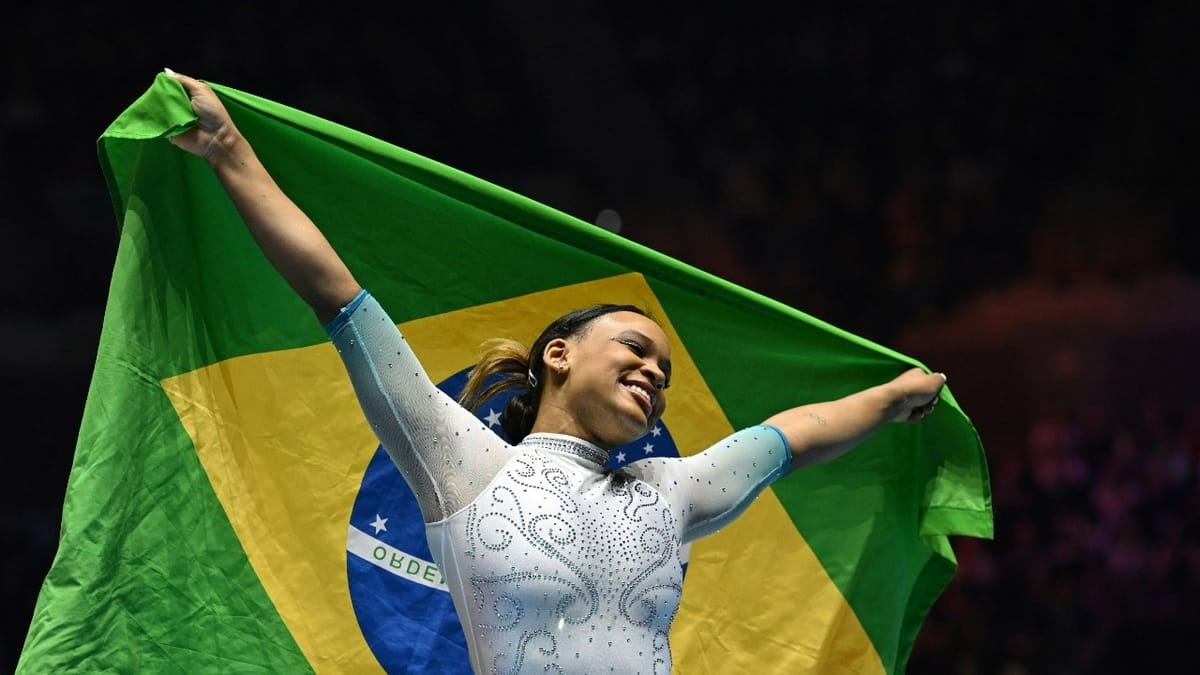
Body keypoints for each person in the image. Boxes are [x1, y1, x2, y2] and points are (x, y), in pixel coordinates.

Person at [163, 69, 947, 674]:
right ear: (559, 354)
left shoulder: (669, 492)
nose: (655, 373)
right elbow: (340, 298)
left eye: (665, 370)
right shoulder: (462, 465)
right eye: (636, 348)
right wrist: (231, 151)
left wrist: (891, 397)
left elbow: (792, 437)